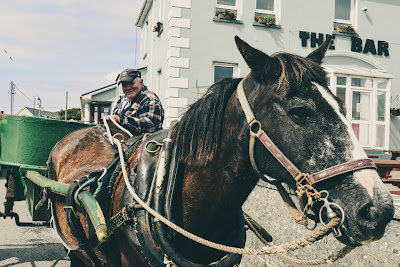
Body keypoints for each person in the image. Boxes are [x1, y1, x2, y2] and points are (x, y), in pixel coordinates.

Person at [107, 68, 164, 134]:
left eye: (131, 83)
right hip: (122, 140)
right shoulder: (122, 100)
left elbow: (151, 125)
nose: (128, 88)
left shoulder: (150, 98)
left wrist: (120, 120)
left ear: (141, 82)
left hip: (145, 142)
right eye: (124, 85)